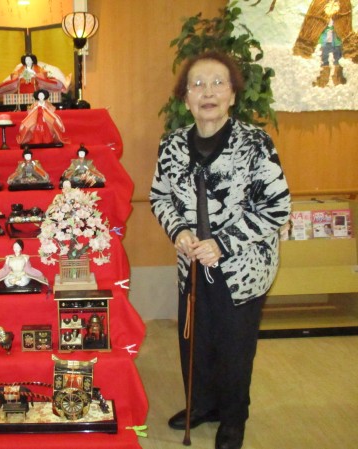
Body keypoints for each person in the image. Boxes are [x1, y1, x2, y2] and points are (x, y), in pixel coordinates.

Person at [149, 50, 291, 449]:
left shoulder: (255, 142)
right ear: (185, 98)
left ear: (232, 95)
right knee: (195, 341)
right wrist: (178, 231)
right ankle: (202, 405)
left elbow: (277, 207)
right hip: (191, 265)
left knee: (234, 346)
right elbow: (159, 196)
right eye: (197, 85)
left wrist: (223, 244)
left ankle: (233, 417)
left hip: (243, 268)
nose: (207, 92)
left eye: (217, 83)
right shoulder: (171, 144)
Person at [0, 53, 68, 95]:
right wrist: (20, 77)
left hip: (36, 88)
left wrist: (35, 76)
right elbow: (15, 76)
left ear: (33, 60)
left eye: (29, 60)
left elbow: (43, 75)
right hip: (22, 89)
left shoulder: (38, 68)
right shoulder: (20, 68)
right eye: (26, 60)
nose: (27, 61)